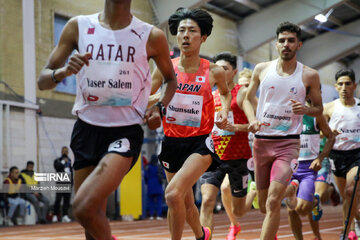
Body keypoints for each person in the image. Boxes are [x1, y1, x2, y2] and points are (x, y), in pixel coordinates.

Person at [37, 0, 177, 239]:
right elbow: (42, 80)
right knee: (89, 222)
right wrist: (63, 72)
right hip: (86, 130)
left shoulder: (150, 35)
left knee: (83, 207)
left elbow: (170, 80)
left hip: (124, 133)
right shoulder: (77, 27)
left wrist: (160, 108)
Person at [151, 8, 231, 240]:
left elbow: (225, 94)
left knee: (173, 194)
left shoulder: (213, 71)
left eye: (192, 31)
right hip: (171, 142)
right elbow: (148, 95)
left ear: (203, 37)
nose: (186, 35)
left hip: (200, 144)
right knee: (184, 202)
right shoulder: (166, 68)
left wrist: (223, 111)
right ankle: (201, 234)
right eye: (182, 30)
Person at [242, 21, 323, 240]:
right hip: (261, 143)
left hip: (288, 144)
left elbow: (319, 109)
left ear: (299, 45)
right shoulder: (261, 69)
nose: (286, 44)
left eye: (291, 41)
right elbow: (247, 99)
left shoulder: (309, 75)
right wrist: (252, 119)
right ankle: (289, 191)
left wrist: (306, 108)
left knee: (272, 201)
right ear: (276, 44)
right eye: (282, 41)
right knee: (263, 205)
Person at [199, 54, 256, 240]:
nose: (220, 72)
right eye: (217, 69)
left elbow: (255, 125)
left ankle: (253, 191)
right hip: (213, 157)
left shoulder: (242, 93)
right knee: (207, 200)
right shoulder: (210, 95)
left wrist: (235, 127)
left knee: (238, 211)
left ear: (234, 72)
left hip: (238, 157)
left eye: (225, 69)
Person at [284, 96, 335, 240]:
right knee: (290, 210)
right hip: (291, 166)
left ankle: (314, 203)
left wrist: (320, 157)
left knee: (301, 208)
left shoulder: (315, 115)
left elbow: (330, 137)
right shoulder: (285, 115)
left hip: (309, 167)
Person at [323, 68, 360, 240]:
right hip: (337, 156)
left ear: (354, 86)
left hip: (357, 155)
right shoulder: (329, 108)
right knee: (346, 194)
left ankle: (346, 232)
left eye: (347, 84)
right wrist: (329, 133)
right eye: (340, 84)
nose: (344, 87)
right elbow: (320, 132)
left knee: (350, 191)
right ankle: (353, 224)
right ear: (336, 87)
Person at [52, 146, 73, 223]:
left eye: (66, 151)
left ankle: (65, 215)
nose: (64, 152)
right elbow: (57, 168)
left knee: (66, 200)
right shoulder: (57, 160)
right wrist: (63, 162)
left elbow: (71, 172)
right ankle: (55, 215)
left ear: (68, 152)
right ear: (61, 152)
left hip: (68, 182)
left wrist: (72, 182)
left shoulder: (70, 161)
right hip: (60, 182)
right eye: (63, 150)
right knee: (58, 199)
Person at [145, 154, 165, 220]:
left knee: (151, 201)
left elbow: (145, 176)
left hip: (150, 186)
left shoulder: (148, 167)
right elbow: (164, 176)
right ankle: (159, 215)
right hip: (158, 186)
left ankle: (151, 215)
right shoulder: (159, 167)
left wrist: (147, 182)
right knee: (159, 201)